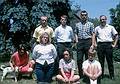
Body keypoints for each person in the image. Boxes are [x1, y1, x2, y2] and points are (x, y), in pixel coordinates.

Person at [95, 15, 118, 79]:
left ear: (106, 19)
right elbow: (94, 35)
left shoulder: (111, 27)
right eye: (101, 19)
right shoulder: (97, 28)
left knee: (110, 61)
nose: (102, 21)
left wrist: (115, 44)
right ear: (100, 20)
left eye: (104, 19)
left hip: (108, 45)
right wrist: (95, 44)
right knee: (100, 62)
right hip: (100, 45)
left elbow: (116, 35)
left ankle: (112, 75)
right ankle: (101, 75)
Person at [74, 10, 95, 77]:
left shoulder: (91, 24)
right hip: (80, 42)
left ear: (87, 16)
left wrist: (92, 44)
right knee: (79, 59)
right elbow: (75, 33)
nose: (84, 16)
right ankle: (80, 74)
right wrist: (77, 41)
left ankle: (87, 74)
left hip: (88, 42)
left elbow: (93, 34)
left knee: (88, 59)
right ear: (80, 16)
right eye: (82, 15)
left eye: (85, 15)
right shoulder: (77, 24)